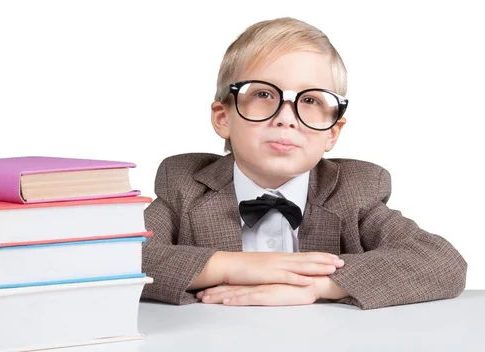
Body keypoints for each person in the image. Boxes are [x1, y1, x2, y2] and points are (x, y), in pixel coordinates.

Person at [140, 17, 467, 310]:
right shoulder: (184, 184)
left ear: (332, 133)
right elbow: (119, 260)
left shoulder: (355, 190)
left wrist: (319, 286)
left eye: (309, 100)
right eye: (264, 95)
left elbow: (441, 262)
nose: (286, 118)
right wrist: (230, 266)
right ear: (224, 118)